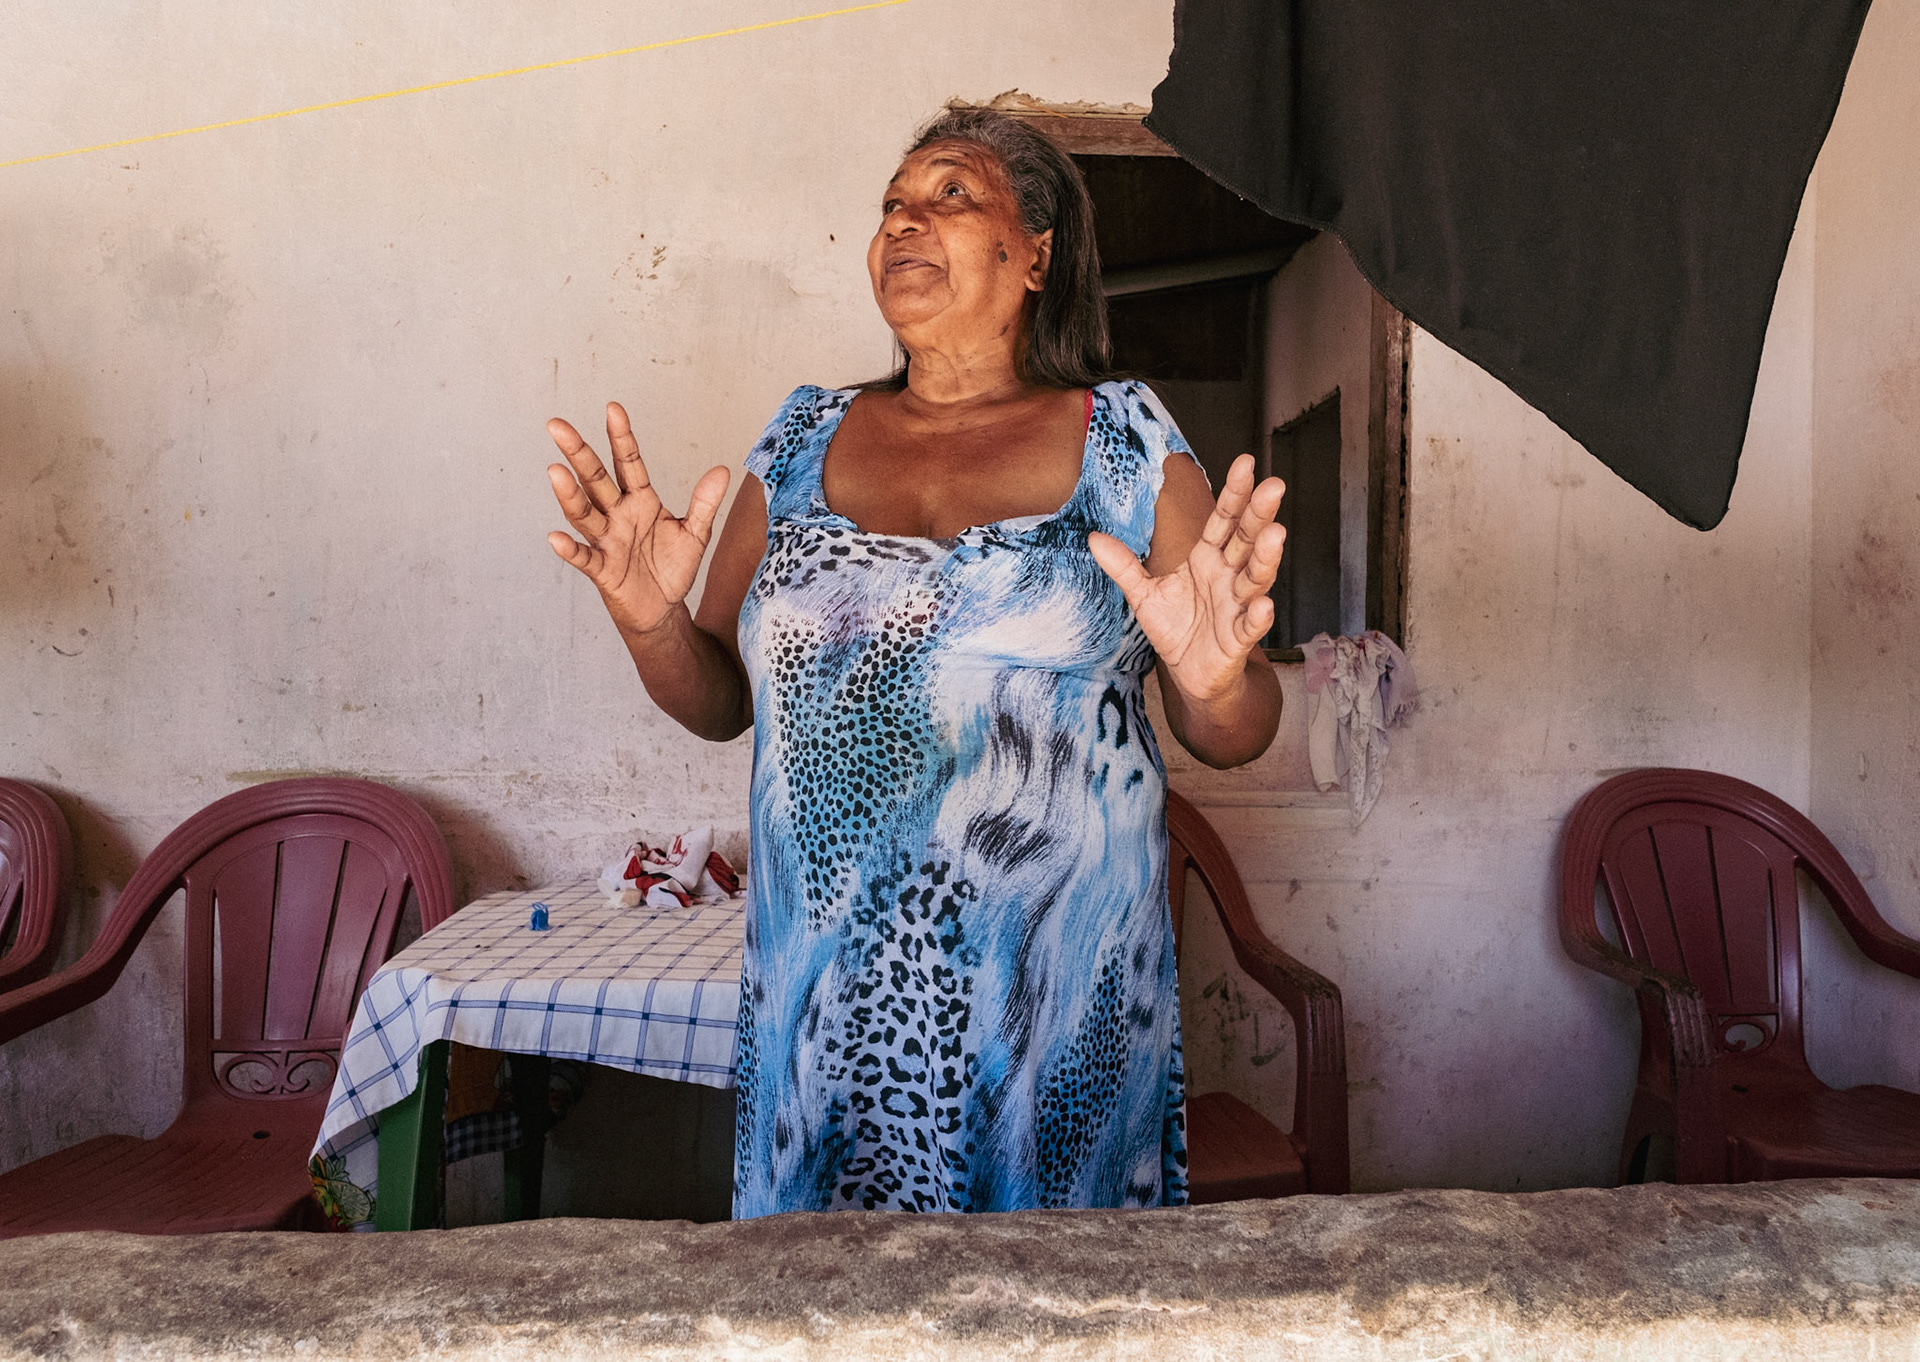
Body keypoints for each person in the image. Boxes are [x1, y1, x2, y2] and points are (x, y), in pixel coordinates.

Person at [545, 109, 1286, 1216]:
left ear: (1035, 252)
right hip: (827, 1020)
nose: (903, 220)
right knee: (828, 1314)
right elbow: (718, 703)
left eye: (949, 195)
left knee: (1054, 1324)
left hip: (1049, 1024)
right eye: (892, 203)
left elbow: (1236, 730)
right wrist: (652, 623)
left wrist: (1218, 678)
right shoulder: (801, 440)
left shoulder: (1123, 443)